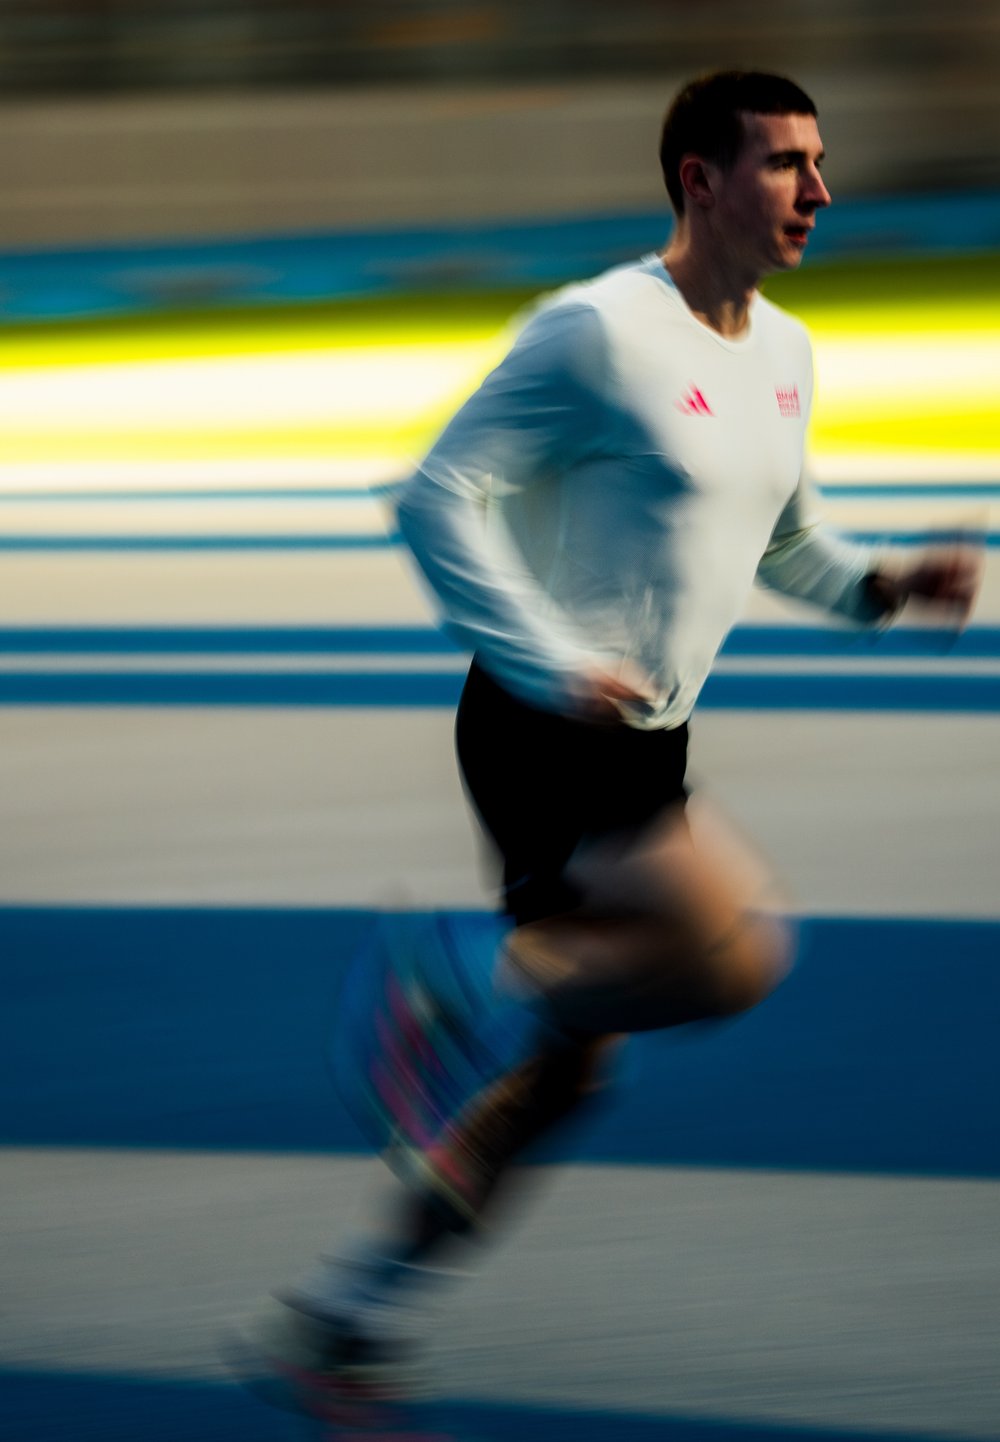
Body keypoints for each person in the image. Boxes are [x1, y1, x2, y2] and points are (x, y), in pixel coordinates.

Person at [233, 70, 979, 1417]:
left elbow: (787, 543)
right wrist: (545, 655)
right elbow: (432, 492)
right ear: (699, 178)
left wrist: (881, 586)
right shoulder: (595, 331)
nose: (820, 190)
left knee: (568, 1074)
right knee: (737, 949)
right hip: (541, 729)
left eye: (820, 162)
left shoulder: (788, 353)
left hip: (649, 740)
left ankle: (342, 1316)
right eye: (784, 164)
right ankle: (448, 974)